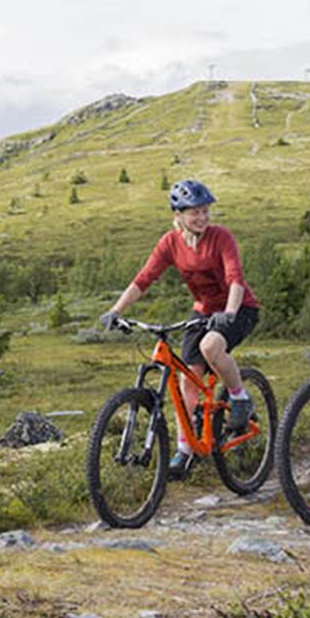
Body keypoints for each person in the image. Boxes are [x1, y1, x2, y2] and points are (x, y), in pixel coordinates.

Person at [100, 179, 262, 475]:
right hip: (202, 312)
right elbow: (143, 279)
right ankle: (185, 450)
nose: (202, 217)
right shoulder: (170, 243)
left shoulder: (220, 237)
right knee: (188, 381)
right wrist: (115, 310)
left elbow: (235, 278)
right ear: (178, 215)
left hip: (238, 308)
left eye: (205, 211)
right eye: (194, 213)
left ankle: (239, 396)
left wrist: (229, 312)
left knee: (210, 346)